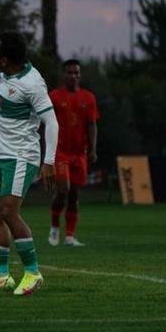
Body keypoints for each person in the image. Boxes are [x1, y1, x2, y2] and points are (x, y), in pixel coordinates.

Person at [0, 32, 58, 297]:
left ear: (7, 60)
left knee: (9, 212)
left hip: (21, 157)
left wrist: (49, 162)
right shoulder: (7, 73)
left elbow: (52, 123)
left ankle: (33, 273)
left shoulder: (33, 84)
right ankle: (1, 276)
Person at [47, 59, 99, 247]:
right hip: (61, 151)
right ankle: (54, 228)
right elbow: (47, 123)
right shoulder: (54, 96)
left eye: (76, 72)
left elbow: (92, 125)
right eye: (70, 72)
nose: (73, 76)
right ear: (64, 75)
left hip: (80, 152)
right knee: (63, 190)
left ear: (80, 75)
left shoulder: (89, 98)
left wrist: (92, 149)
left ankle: (69, 235)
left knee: (75, 194)